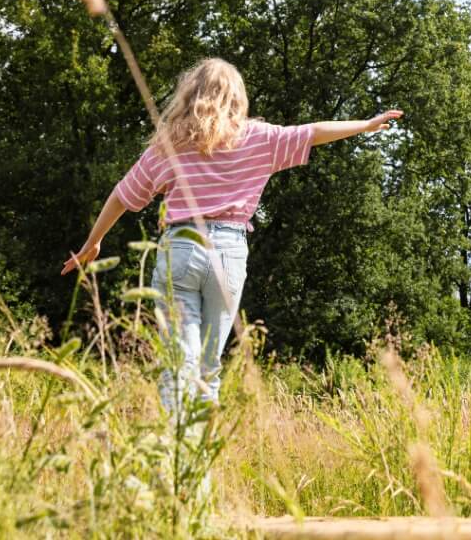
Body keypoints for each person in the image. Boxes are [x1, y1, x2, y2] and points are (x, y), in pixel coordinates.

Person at [62, 56, 401, 411]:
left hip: (181, 248)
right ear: (237, 97)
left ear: (188, 96)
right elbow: (313, 132)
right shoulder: (258, 138)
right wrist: (365, 125)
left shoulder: (167, 145)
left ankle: (175, 440)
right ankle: (201, 443)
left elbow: (122, 195)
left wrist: (92, 242)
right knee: (208, 366)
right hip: (229, 252)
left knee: (180, 362)